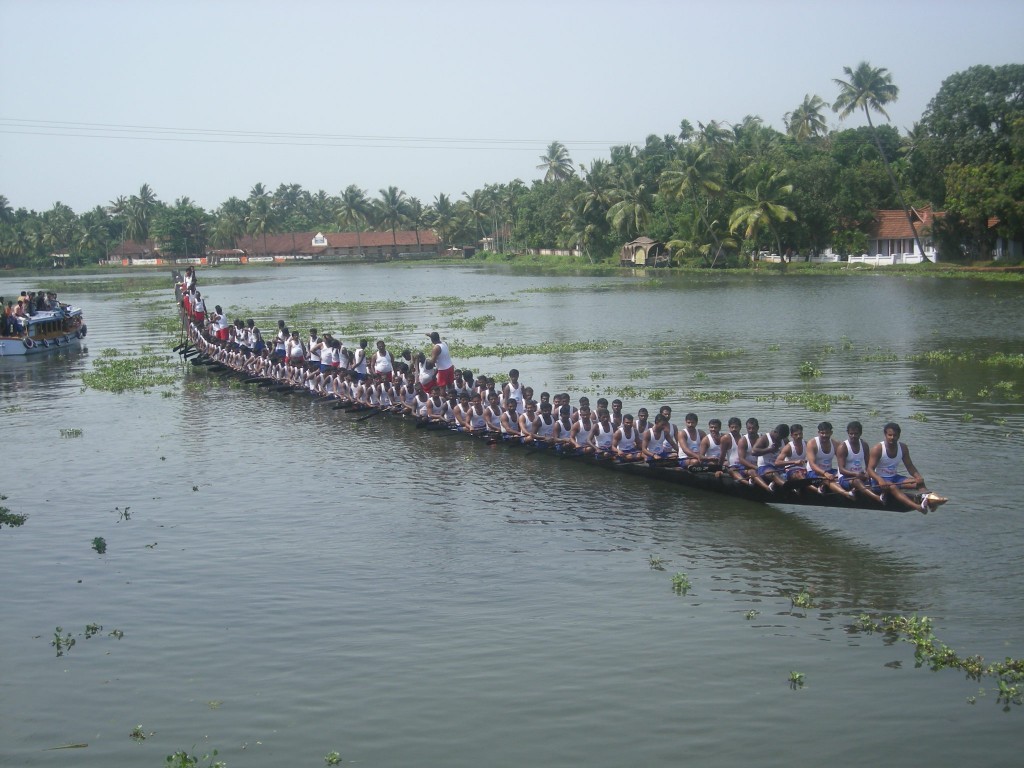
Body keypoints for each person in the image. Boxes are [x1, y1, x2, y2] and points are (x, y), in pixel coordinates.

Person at [868, 422, 947, 513]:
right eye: (889, 435)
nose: (892, 438)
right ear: (885, 434)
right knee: (893, 487)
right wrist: (879, 479)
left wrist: (918, 477)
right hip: (879, 481)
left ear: (899, 436)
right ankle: (917, 507)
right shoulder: (878, 448)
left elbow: (909, 466)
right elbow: (869, 469)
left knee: (919, 482)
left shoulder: (903, 447)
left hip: (894, 478)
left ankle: (930, 501)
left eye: (895, 435)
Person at [836, 420, 883, 505]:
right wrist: (856, 474)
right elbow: (842, 470)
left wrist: (868, 473)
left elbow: (869, 465)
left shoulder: (864, 445)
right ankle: (877, 498)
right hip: (845, 478)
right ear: (848, 433)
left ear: (860, 433)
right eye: (851, 434)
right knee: (857, 481)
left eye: (856, 434)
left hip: (860, 476)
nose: (853, 436)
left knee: (880, 478)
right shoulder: (843, 447)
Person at [804, 421, 850, 498]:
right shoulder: (812, 443)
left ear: (831, 433)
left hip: (830, 471)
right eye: (822, 433)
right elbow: (812, 464)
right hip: (813, 472)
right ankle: (846, 494)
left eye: (827, 433)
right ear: (818, 432)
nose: (824, 435)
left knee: (845, 477)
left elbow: (843, 461)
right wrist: (825, 474)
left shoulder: (836, 444)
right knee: (827, 480)